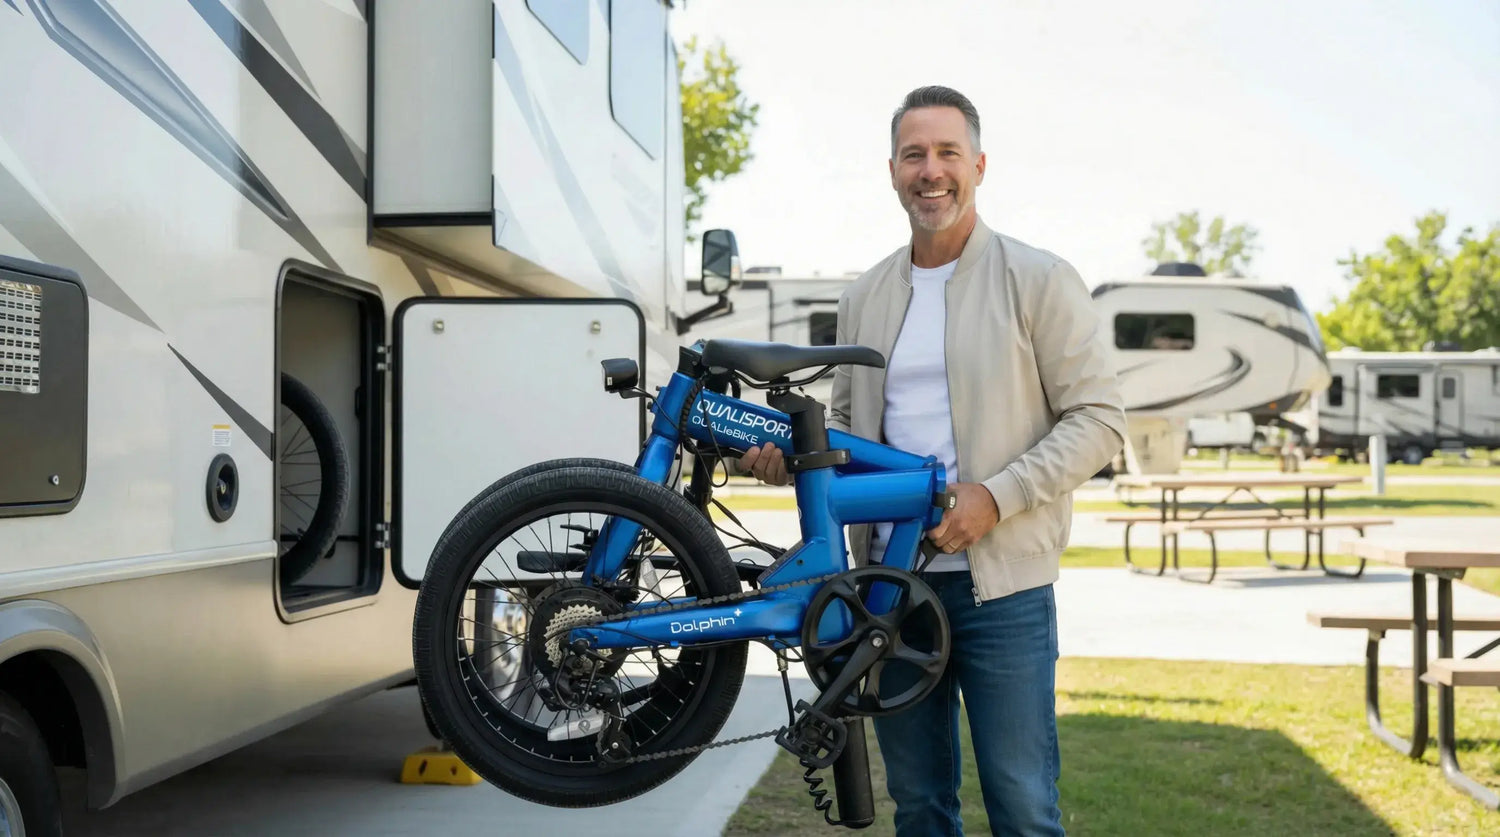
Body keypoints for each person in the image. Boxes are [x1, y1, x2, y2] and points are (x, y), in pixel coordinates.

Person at [740, 85, 1126, 836]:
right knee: (919, 805)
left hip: (1002, 590)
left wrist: (997, 496)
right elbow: (845, 428)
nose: (931, 170)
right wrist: (790, 458)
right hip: (886, 590)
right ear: (892, 171)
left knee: (1023, 805)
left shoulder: (1039, 279)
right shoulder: (864, 295)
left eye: (948, 152)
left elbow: (1099, 420)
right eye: (913, 154)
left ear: (978, 165)